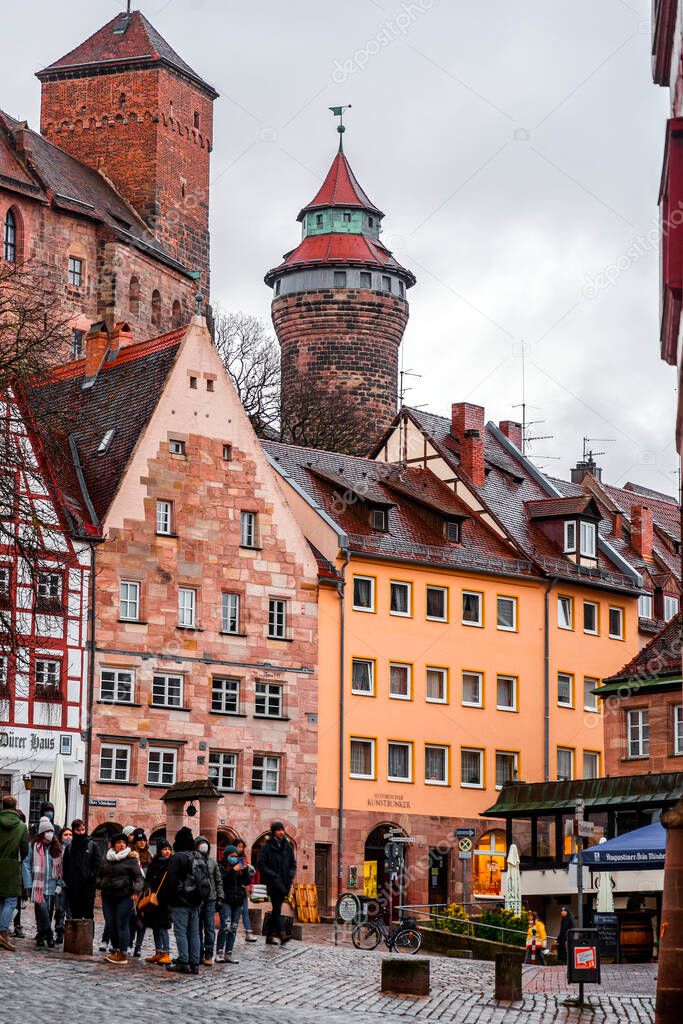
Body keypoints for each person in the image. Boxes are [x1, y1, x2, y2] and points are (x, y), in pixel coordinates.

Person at [165, 826, 209, 976]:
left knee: (181, 932)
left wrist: (169, 898)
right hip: (196, 901)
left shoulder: (178, 857)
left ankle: (183, 962)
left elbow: (171, 880)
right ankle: (195, 963)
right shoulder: (199, 856)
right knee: (195, 933)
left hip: (180, 901)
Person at [96, 832, 143, 965]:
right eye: (119, 843)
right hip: (108, 896)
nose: (122, 845)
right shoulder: (107, 859)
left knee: (122, 924)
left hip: (124, 896)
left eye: (124, 843)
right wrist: (101, 884)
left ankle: (123, 953)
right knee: (111, 924)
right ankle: (115, 949)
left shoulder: (131, 860)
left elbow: (139, 878)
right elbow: (98, 876)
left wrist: (136, 891)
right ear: (113, 845)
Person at [23, 816, 63, 948]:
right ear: (41, 833)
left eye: (51, 831)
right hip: (38, 886)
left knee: (47, 913)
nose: (50, 834)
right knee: (42, 909)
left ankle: (41, 935)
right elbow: (26, 864)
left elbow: (61, 868)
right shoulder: (33, 846)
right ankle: (49, 934)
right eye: (47, 831)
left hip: (52, 887)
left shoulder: (57, 848)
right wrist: (28, 884)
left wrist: (59, 884)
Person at [257, 821, 296, 946]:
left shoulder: (287, 846)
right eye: (279, 830)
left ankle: (269, 936)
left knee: (276, 909)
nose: (282, 832)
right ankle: (282, 933)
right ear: (274, 831)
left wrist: (291, 874)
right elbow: (261, 864)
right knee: (277, 907)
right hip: (273, 883)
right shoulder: (266, 847)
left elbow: (293, 863)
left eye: (282, 830)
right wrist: (272, 875)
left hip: (284, 882)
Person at [0, 795, 29, 952]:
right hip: (11, 867)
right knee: (10, 901)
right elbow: (25, 850)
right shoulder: (21, 826)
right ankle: (3, 932)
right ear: (14, 807)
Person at [140, 837, 172, 965]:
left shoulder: (171, 864)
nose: (167, 852)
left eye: (169, 849)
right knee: (155, 926)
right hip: (153, 900)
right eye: (165, 849)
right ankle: (158, 952)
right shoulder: (154, 863)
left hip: (165, 901)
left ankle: (166, 952)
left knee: (163, 927)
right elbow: (148, 879)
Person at [216, 844, 249, 963]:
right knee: (225, 926)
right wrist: (232, 871)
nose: (234, 858)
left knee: (233, 928)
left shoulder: (239, 867)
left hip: (238, 900)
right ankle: (219, 951)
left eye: (236, 856)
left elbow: (246, 882)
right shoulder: (221, 866)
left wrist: (244, 870)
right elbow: (221, 880)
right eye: (232, 856)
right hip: (226, 900)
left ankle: (228, 953)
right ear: (226, 856)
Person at [62, 819, 101, 920]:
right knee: (75, 916)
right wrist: (69, 881)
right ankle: (76, 936)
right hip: (74, 887)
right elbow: (65, 866)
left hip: (88, 887)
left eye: (83, 829)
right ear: (74, 830)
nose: (81, 832)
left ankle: (88, 936)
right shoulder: (69, 848)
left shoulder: (92, 845)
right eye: (78, 830)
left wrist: (91, 876)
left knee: (88, 916)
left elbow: (97, 864)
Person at [195, 834, 223, 966]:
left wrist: (220, 897)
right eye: (201, 843)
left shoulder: (213, 862)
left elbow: (218, 881)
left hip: (210, 899)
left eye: (205, 843)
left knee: (209, 927)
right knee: (197, 927)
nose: (203, 846)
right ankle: (199, 952)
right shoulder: (193, 860)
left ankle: (209, 953)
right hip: (197, 898)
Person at [131, 829, 151, 957]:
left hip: (145, 893)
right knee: (131, 919)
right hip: (133, 892)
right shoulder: (131, 855)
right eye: (139, 841)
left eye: (144, 841)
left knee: (142, 922)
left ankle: (138, 946)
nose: (142, 843)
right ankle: (128, 943)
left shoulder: (149, 856)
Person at [235, 838, 257, 942]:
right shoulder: (231, 858)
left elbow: (247, 875)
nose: (240, 848)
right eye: (239, 846)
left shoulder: (243, 858)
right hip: (233, 890)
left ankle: (248, 932)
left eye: (242, 847)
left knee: (244, 911)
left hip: (242, 888)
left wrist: (248, 869)